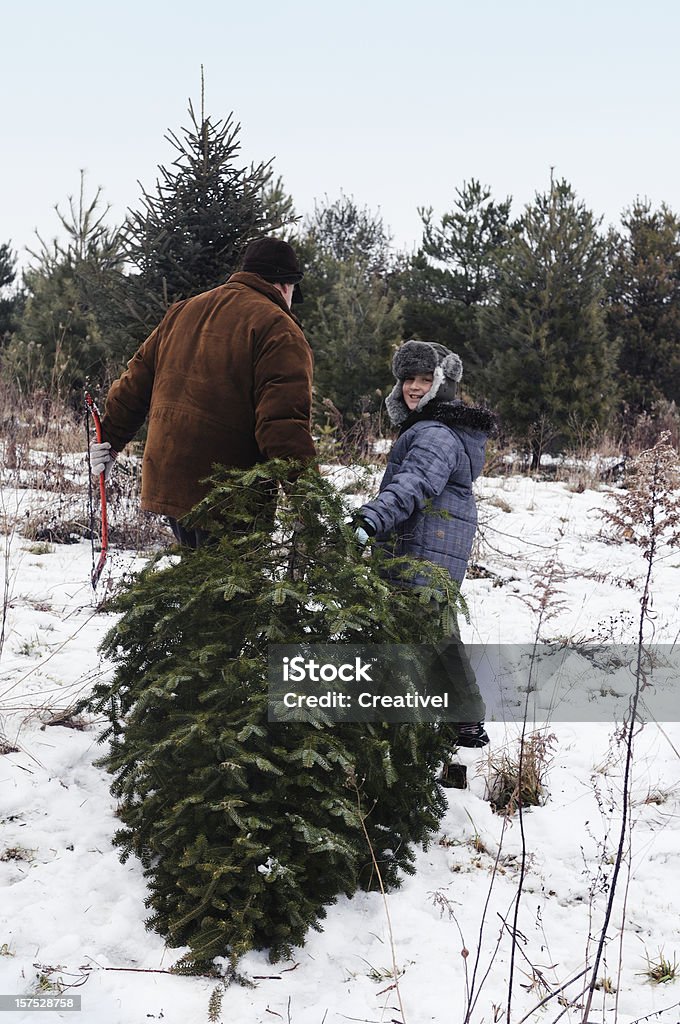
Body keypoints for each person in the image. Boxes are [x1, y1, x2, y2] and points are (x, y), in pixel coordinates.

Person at [89, 237, 316, 547]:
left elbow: (135, 383)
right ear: (286, 287)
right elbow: (282, 424)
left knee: (198, 581)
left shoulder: (184, 311)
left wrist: (111, 440)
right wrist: (309, 500)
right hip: (230, 492)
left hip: (170, 478)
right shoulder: (280, 329)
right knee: (233, 591)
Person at [353, 340, 496, 748]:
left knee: (427, 630)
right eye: (408, 379)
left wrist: (372, 517)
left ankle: (449, 725)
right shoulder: (435, 427)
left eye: (425, 378)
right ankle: (461, 724)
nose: (414, 387)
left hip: (423, 545)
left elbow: (414, 482)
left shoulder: (434, 432)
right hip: (428, 543)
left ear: (443, 383)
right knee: (434, 630)